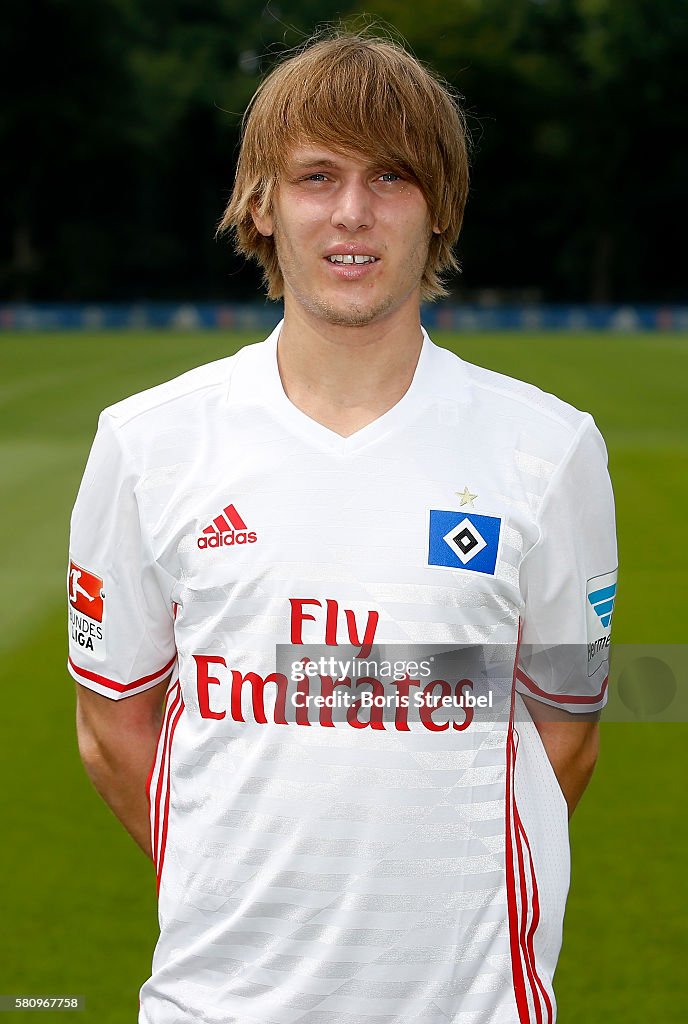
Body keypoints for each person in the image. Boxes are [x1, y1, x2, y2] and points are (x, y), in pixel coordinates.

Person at [68, 31, 617, 1024]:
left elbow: (564, 734)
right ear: (263, 202)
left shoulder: (550, 449)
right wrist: (234, 882)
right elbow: (113, 728)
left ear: (437, 206)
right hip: (211, 1002)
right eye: (316, 175)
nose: (352, 212)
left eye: (391, 177)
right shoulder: (147, 442)